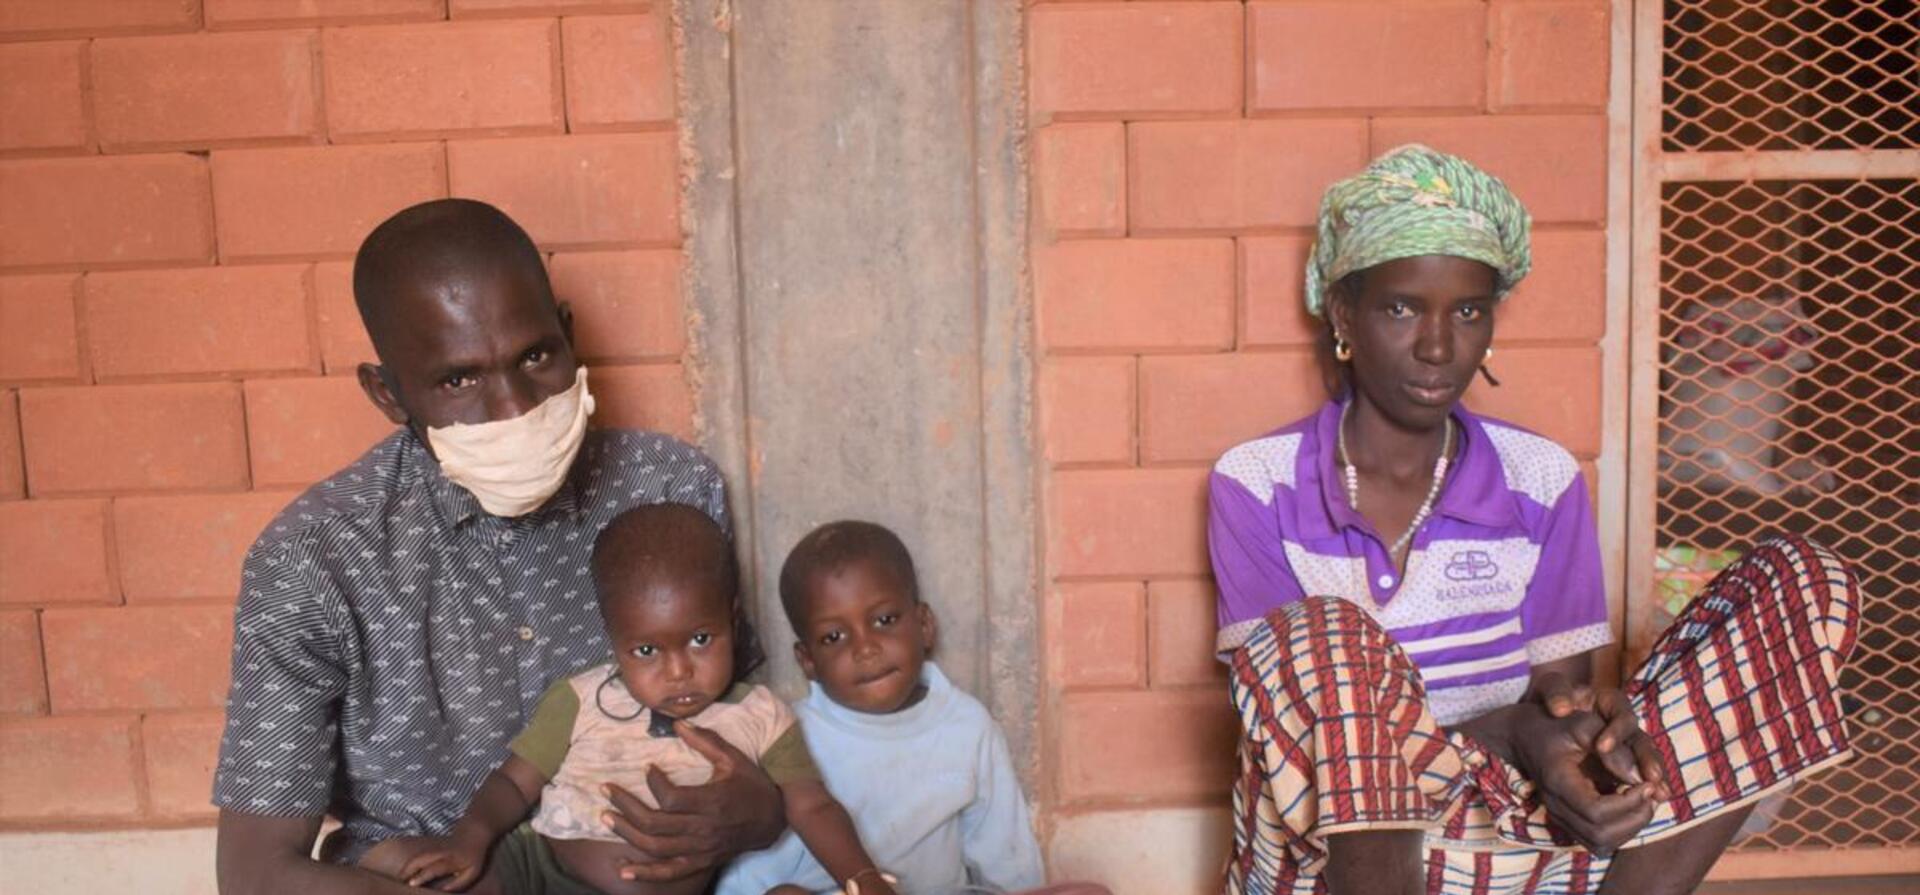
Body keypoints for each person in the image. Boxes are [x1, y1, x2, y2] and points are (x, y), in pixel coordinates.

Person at [1207, 145, 1860, 895]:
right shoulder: (1256, 483)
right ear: (1344, 313)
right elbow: (1290, 724)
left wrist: (1587, 738)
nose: (1437, 345)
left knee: (1804, 580)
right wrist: (1509, 731)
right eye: (1400, 308)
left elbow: (1556, 696)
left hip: (1507, 823)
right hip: (1331, 855)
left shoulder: (1540, 477)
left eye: (1468, 310)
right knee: (1329, 634)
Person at [213, 199, 784, 895]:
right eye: (459, 379)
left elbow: (748, 724)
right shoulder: (315, 558)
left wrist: (759, 812)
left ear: (568, 336)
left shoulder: (666, 489)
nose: (514, 407)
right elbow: (255, 874)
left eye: (536, 356)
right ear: (389, 394)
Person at [361, 504, 898, 895]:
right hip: (538, 870)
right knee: (441, 878)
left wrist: (861, 876)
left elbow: (812, 804)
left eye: (700, 639)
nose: (678, 669)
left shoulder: (761, 716)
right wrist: (470, 838)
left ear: (731, 618)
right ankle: (377, 862)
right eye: (646, 650)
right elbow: (512, 781)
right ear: (614, 640)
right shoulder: (580, 699)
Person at [718, 521, 1100, 895]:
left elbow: (1006, 857)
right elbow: (751, 875)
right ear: (808, 661)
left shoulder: (966, 727)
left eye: (885, 620)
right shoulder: (787, 734)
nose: (865, 648)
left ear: (924, 625)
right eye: (834, 637)